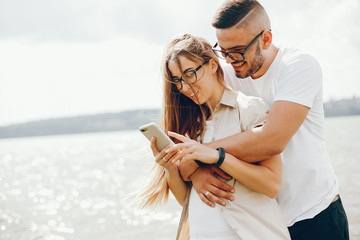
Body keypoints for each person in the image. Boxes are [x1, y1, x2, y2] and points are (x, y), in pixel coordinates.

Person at [177, 1, 350, 240]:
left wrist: (202, 155)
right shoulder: (229, 72)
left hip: (315, 214)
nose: (229, 60)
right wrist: (197, 172)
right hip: (265, 225)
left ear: (266, 39)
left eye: (237, 50)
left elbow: (272, 139)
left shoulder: (298, 67)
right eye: (222, 50)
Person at [137, 33, 290, 240]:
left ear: (212, 64)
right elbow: (187, 201)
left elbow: (271, 186)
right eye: (178, 81)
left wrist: (218, 157)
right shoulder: (190, 127)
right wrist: (171, 168)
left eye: (190, 74)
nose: (184, 87)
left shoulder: (248, 110)